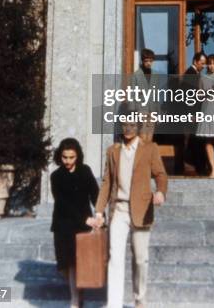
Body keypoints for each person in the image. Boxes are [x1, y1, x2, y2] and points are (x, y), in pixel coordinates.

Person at [89, 121, 168, 308]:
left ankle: (140, 300)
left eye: (132, 124)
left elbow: (161, 174)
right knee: (115, 257)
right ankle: (114, 304)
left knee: (141, 259)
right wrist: (99, 211)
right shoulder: (113, 151)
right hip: (119, 210)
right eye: (124, 125)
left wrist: (160, 192)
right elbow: (107, 183)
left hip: (141, 211)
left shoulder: (150, 148)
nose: (128, 128)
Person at [50, 137, 99, 308]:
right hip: (63, 225)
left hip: (82, 226)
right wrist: (85, 219)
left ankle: (75, 301)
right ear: (60, 156)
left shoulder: (85, 171)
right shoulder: (55, 176)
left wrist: (100, 214)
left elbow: (95, 193)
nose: (68, 161)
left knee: (75, 264)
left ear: (77, 156)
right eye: (65, 157)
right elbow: (63, 203)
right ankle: (78, 293)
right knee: (64, 266)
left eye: (71, 157)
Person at [179, 51, 207, 174]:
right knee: (191, 140)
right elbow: (189, 96)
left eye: (205, 64)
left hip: (194, 113)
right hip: (192, 113)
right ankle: (191, 166)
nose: (204, 66)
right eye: (202, 63)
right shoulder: (190, 74)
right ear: (195, 62)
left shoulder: (194, 73)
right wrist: (192, 113)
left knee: (194, 140)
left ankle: (196, 166)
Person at [130, 48, 160, 142]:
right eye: (146, 61)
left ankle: (147, 156)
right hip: (141, 110)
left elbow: (157, 95)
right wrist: (133, 112)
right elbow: (132, 94)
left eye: (151, 61)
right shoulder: (136, 75)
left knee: (149, 139)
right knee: (142, 138)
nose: (148, 63)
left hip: (152, 111)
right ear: (142, 61)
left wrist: (158, 113)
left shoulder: (156, 75)